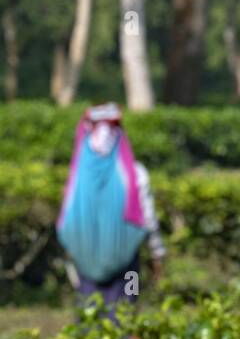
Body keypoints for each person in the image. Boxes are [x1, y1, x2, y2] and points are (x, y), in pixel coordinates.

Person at [57, 102, 165, 321]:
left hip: (85, 260)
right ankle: (127, 334)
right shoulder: (135, 173)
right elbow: (148, 217)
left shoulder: (77, 178)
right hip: (130, 260)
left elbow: (66, 222)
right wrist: (157, 253)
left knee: (89, 309)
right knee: (130, 298)